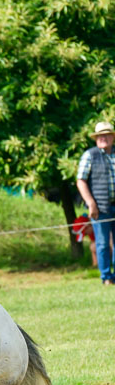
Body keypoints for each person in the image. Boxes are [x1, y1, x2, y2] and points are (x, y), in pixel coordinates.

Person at [76, 121, 115, 284]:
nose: (103, 138)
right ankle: (106, 277)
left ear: (113, 137)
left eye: (106, 134)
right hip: (99, 207)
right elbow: (81, 181)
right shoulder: (90, 155)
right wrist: (91, 203)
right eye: (100, 135)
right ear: (96, 138)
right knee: (102, 243)